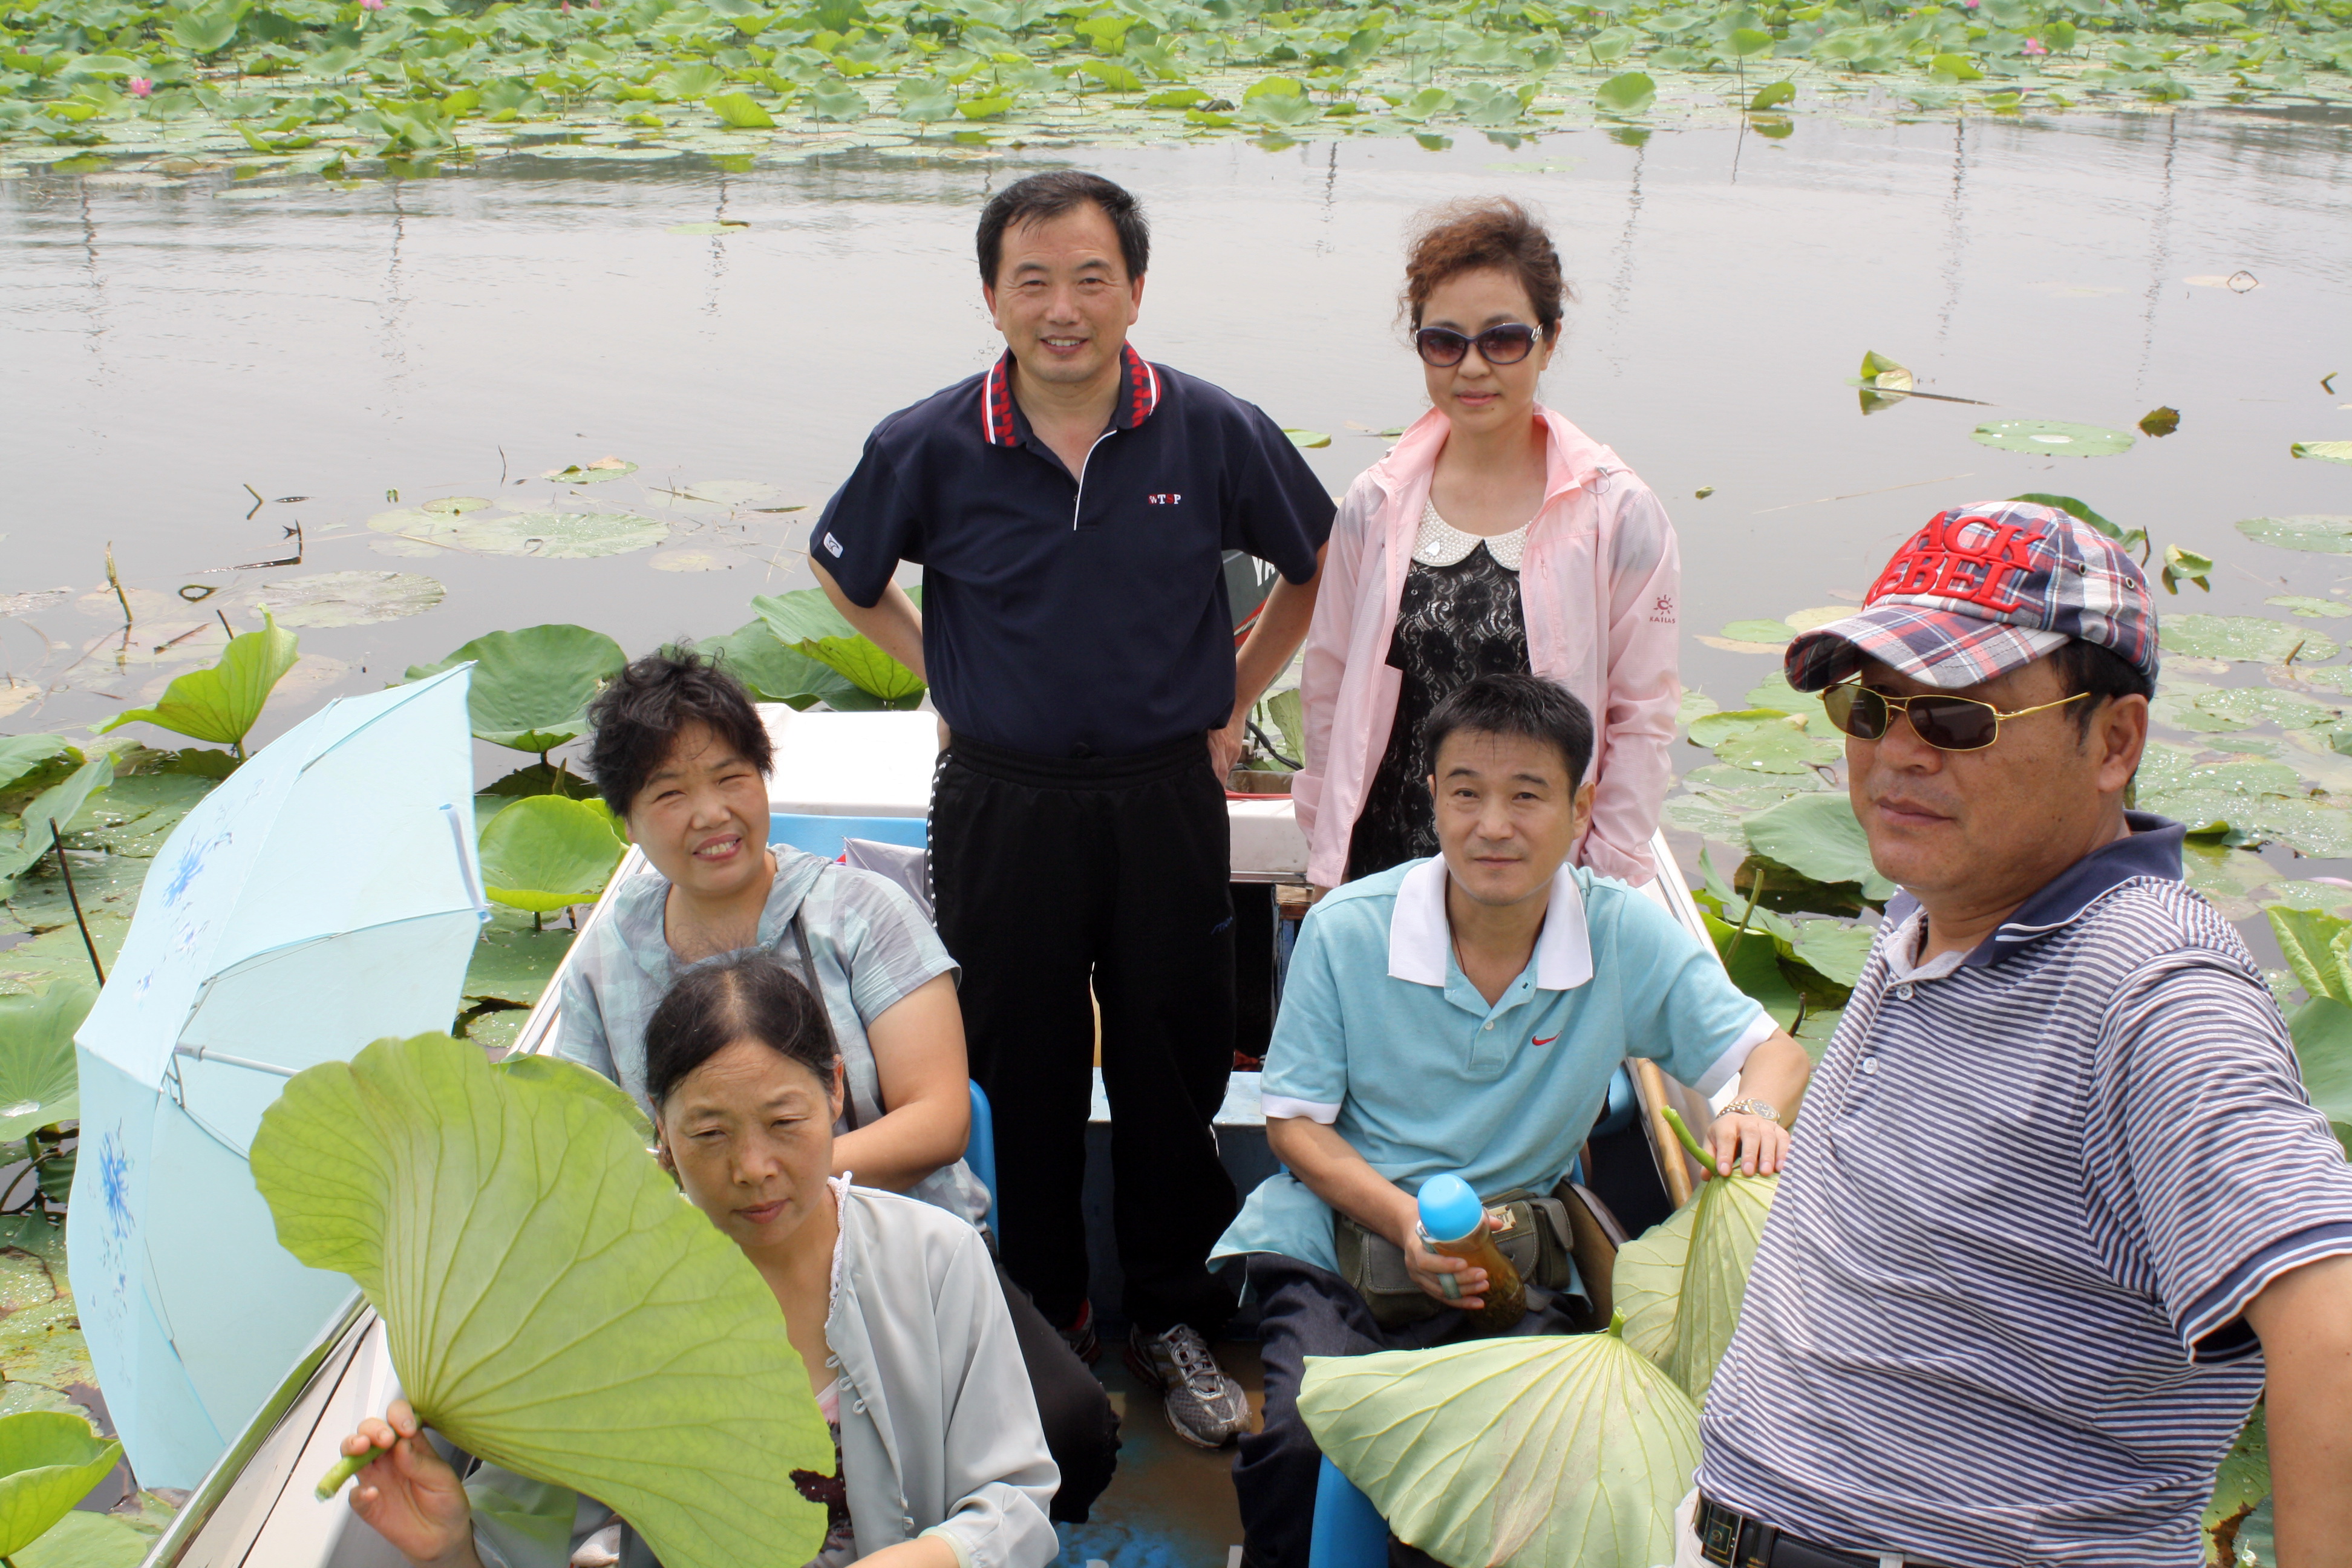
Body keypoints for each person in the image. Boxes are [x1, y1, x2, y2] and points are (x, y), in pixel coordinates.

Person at [1684, 501, 2352, 1567]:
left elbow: (2332, 1327)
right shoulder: (1935, 908)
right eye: (1868, 707)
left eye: (1958, 719)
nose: (1898, 753)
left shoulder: (2152, 994)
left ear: (2114, 741)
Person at [806, 169, 1336, 1447]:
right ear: (991, 296)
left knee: (1172, 1059)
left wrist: (1233, 693)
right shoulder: (927, 443)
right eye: (1032, 280)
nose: (1063, 308)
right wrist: (943, 669)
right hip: (1004, 800)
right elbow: (844, 569)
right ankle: (1044, 1315)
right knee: (1016, 1062)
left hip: (1163, 796)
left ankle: (1169, 1313)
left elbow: (1313, 562)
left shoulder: (1213, 430)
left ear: (1135, 290)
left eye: (1091, 278)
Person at [1216, 673, 1813, 1568]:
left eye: (1527, 796)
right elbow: (1296, 1129)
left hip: (1514, 1254)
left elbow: (1776, 1055)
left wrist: (1756, 1114)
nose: (1493, 826)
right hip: (1341, 1240)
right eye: (1467, 793)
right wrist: (1405, 1222)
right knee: (1302, 1448)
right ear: (1433, 799)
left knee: (1529, 1475)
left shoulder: (1620, 934)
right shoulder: (1348, 929)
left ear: (1580, 810)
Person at [552, 650, 1117, 1522]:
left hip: (899, 1253)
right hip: (703, 1268)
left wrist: (783, 1180)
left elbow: (938, 1119)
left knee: (1071, 1432)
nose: (711, 814)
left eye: (730, 777)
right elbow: (586, 1156)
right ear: (626, 819)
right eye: (668, 793)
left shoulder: (861, 912)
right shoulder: (603, 960)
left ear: (762, 778)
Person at [336, 954, 1060, 1568]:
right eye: (709, 1133)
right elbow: (519, 1541)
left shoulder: (936, 1259)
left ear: (836, 1087)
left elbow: (1014, 1500)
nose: (753, 1168)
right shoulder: (602, 1304)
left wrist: (927, 1558)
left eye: (784, 1122)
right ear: (660, 1123)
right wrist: (452, 1545)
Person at [1293, 198, 1679, 890]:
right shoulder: (1375, 503)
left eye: (1502, 340)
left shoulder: (1618, 515)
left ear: (1550, 340)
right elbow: (1328, 684)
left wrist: (1602, 885)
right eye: (1445, 342)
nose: (1472, 367)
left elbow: (1641, 718)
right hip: (1389, 857)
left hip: (1536, 873)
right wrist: (1327, 850)